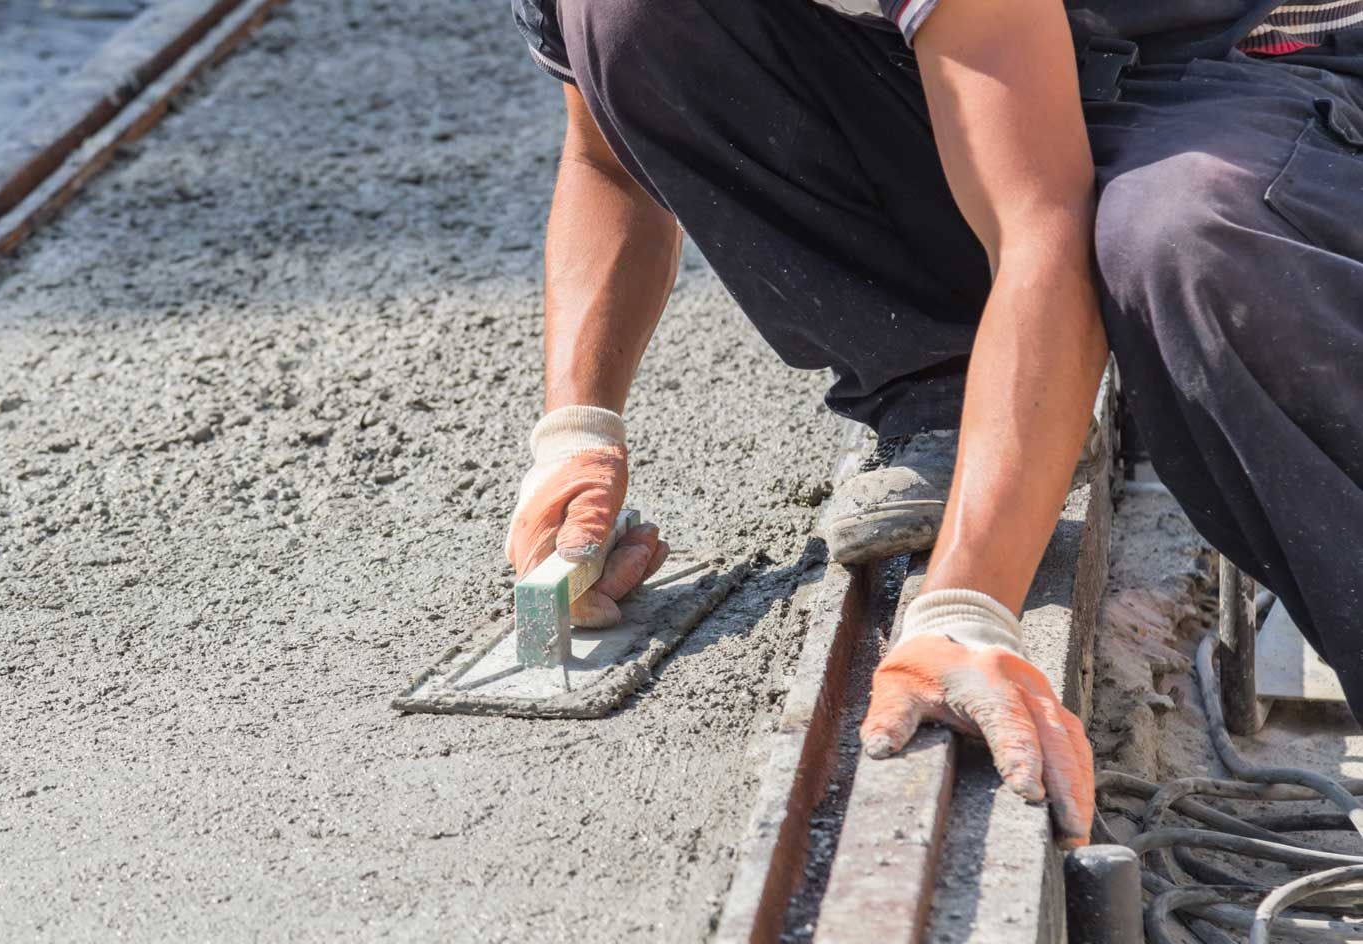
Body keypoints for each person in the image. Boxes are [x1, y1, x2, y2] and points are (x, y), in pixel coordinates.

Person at [502, 0, 1363, 848]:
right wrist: (576, 433)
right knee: (630, 17)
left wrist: (966, 607)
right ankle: (953, 392)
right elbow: (608, 161)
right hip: (1026, 64)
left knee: (1177, 240)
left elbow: (1040, 228)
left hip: (1250, 60)